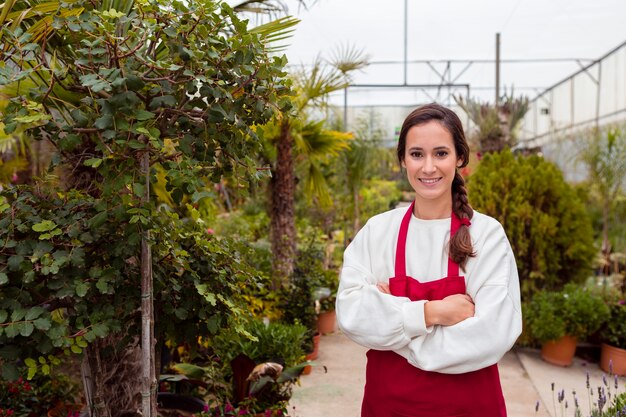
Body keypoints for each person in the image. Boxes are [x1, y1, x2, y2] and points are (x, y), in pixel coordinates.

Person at [336, 103, 522, 417]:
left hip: (469, 407)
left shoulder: (486, 235)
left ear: (460, 158)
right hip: (389, 406)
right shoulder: (379, 231)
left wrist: (394, 326)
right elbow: (351, 314)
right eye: (417, 154)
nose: (428, 168)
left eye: (440, 153)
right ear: (403, 160)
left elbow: (491, 334)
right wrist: (433, 312)